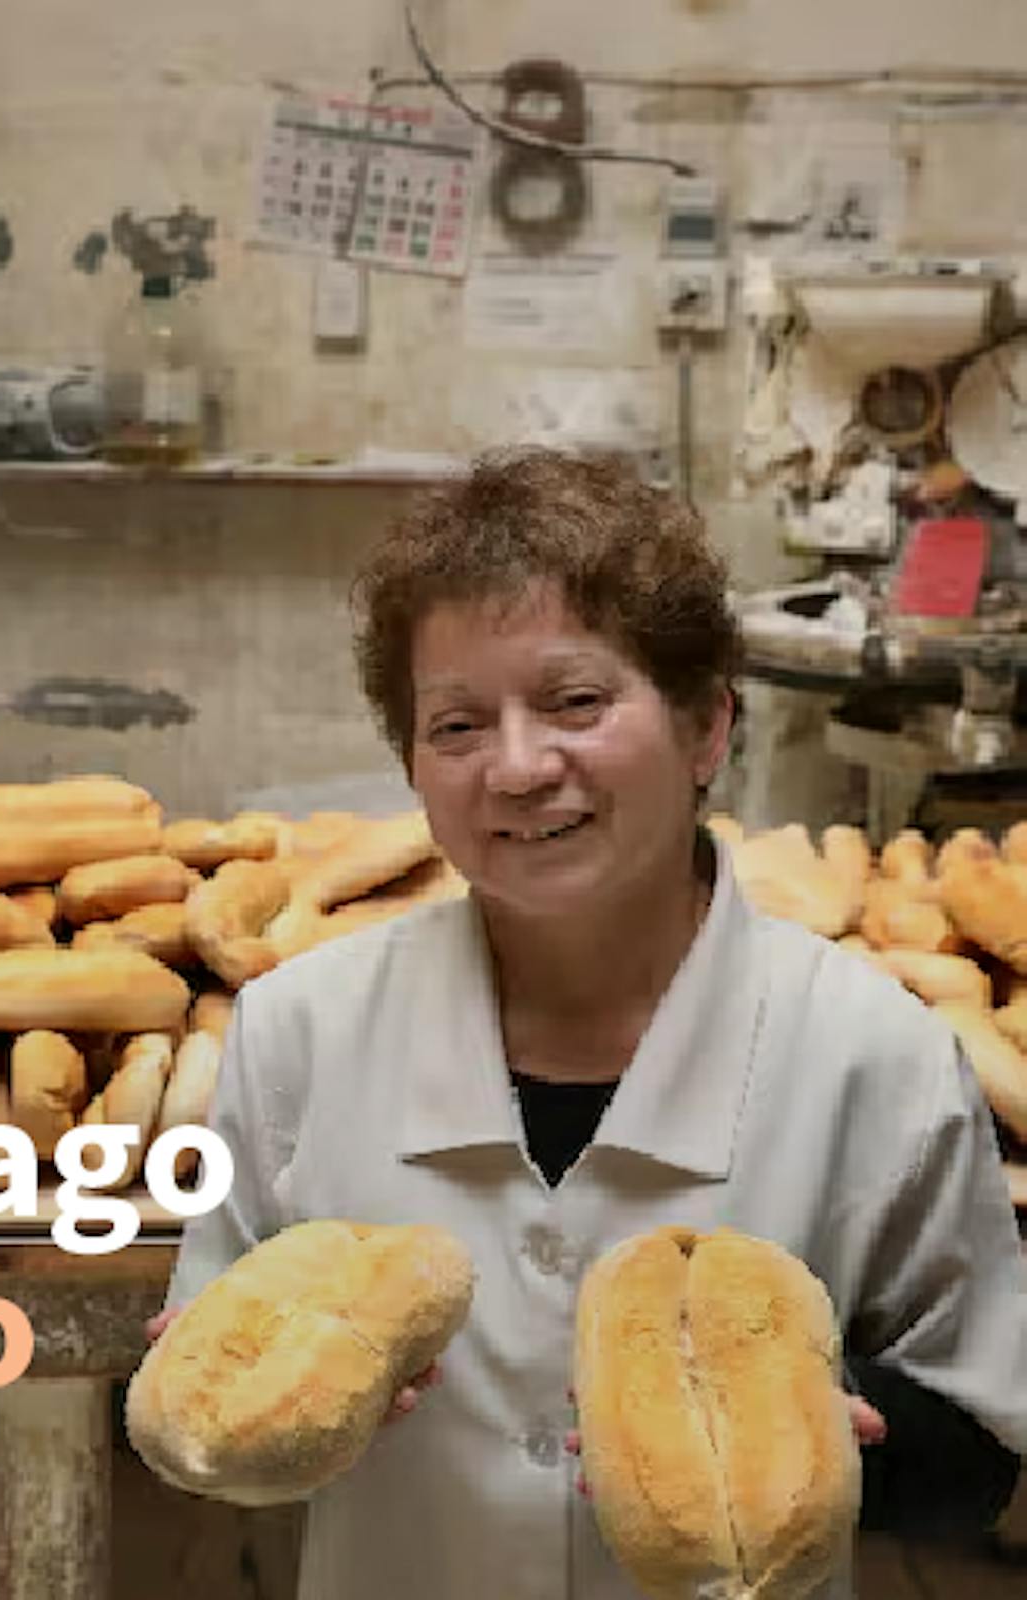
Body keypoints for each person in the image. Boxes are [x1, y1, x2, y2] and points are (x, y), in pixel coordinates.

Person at [151, 449, 1026, 1599]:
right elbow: (192, 1414)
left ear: (706, 726)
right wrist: (228, 1426)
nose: (517, 768)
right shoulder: (297, 1031)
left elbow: (978, 1445)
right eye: (456, 725)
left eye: (575, 702)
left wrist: (841, 1426)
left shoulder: (874, 1053)